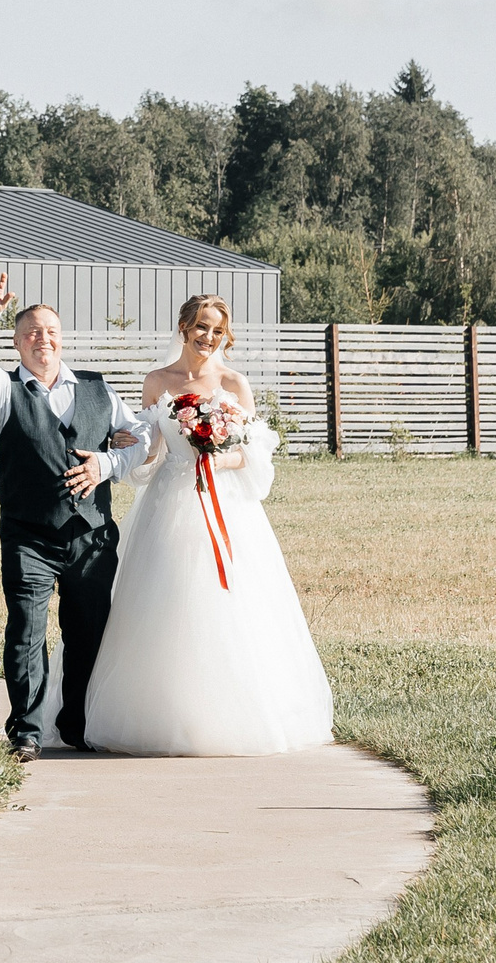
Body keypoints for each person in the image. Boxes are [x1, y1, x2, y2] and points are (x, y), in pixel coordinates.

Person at [80, 292, 333, 756]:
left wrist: (218, 457)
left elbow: (255, 455)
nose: (208, 337)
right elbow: (152, 453)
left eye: (217, 330)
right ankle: (165, 714)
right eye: (201, 327)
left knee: (231, 605)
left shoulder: (235, 384)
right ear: (184, 327)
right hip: (169, 504)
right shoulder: (157, 381)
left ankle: (232, 714)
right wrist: (135, 444)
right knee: (168, 600)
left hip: (227, 508)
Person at [0, 267, 150, 761]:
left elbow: (145, 438)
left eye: (49, 332)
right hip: (29, 536)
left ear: (61, 339)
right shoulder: (2, 394)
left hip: (91, 537)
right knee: (26, 629)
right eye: (30, 333)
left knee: (88, 632)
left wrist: (108, 463)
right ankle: (25, 731)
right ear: (18, 343)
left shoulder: (98, 390)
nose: (41, 340)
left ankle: (76, 726)